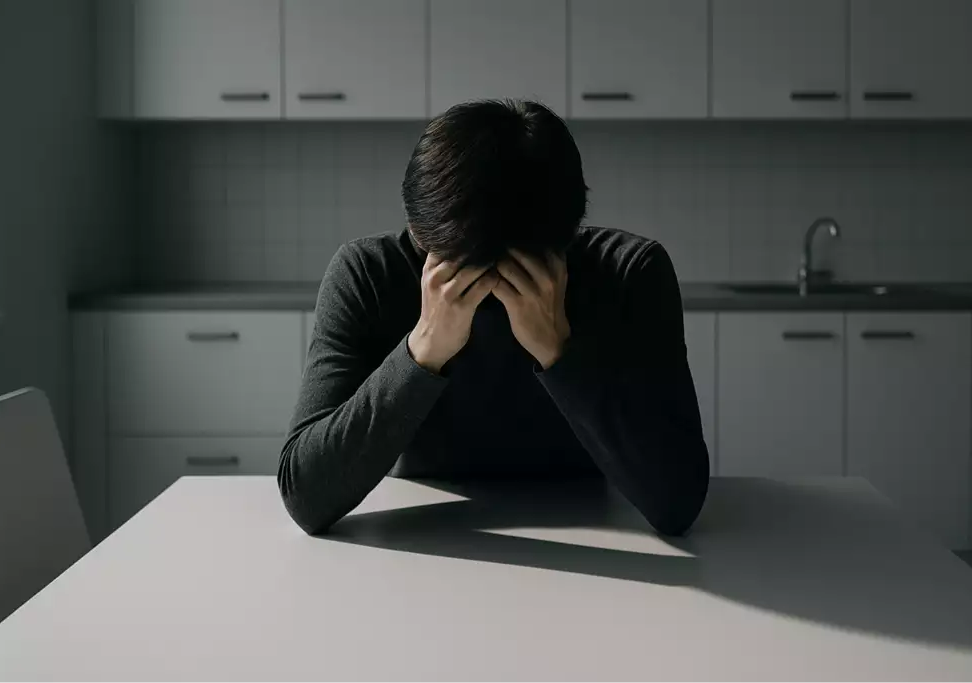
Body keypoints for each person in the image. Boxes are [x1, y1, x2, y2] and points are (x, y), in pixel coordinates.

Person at [278, 99, 709, 537]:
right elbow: (305, 496)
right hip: (424, 544)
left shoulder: (630, 274)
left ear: (567, 240)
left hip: (595, 529)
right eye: (454, 262)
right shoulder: (368, 273)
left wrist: (559, 352)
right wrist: (422, 351)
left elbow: (678, 502)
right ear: (417, 229)